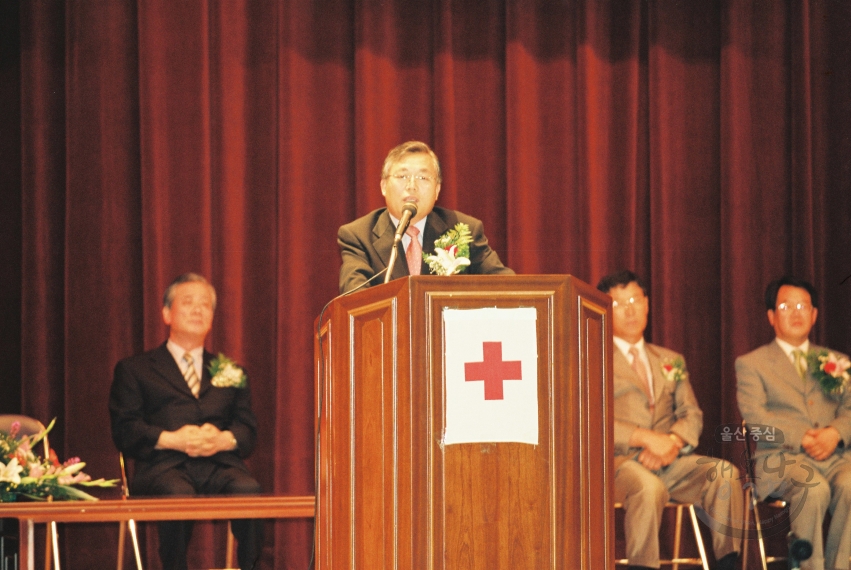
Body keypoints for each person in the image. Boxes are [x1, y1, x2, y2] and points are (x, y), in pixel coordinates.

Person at [109, 273, 263, 570]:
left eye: (205, 305)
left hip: (220, 465)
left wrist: (223, 439)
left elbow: (247, 431)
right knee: (177, 494)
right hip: (162, 466)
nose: (197, 310)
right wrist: (172, 439)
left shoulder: (230, 369)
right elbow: (125, 429)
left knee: (249, 490)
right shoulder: (135, 369)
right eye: (188, 302)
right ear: (167, 313)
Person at [597, 270, 741, 570]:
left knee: (724, 473)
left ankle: (729, 562)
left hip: (670, 460)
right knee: (649, 489)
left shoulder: (669, 359)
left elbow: (691, 413)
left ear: (648, 304)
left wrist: (672, 442)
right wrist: (644, 438)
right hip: (617, 464)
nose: (630, 309)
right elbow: (589, 419)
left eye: (636, 299)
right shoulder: (593, 356)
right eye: (619, 302)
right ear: (606, 308)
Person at [737, 276, 851, 570]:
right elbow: (756, 419)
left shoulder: (837, 361)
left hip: (835, 457)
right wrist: (803, 437)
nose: (797, 312)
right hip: (779, 459)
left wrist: (835, 433)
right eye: (787, 306)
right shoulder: (751, 364)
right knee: (813, 488)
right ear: (772, 316)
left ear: (814, 314)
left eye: (804, 306)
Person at [337, 140, 513, 293]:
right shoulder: (358, 236)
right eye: (402, 176)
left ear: (437, 190)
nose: (412, 185)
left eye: (423, 177)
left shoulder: (463, 229)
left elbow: (506, 286)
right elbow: (354, 297)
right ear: (383, 186)